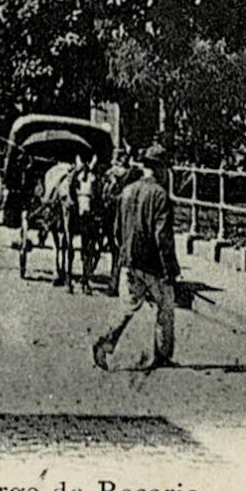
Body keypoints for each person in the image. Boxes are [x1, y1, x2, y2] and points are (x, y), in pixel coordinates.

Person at [93, 144, 180, 371]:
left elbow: (116, 231)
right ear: (160, 169)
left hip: (129, 260)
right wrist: (170, 269)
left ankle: (106, 341)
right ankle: (162, 354)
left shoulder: (127, 191)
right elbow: (163, 237)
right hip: (152, 264)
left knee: (127, 306)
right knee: (166, 306)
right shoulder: (160, 195)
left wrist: (124, 252)